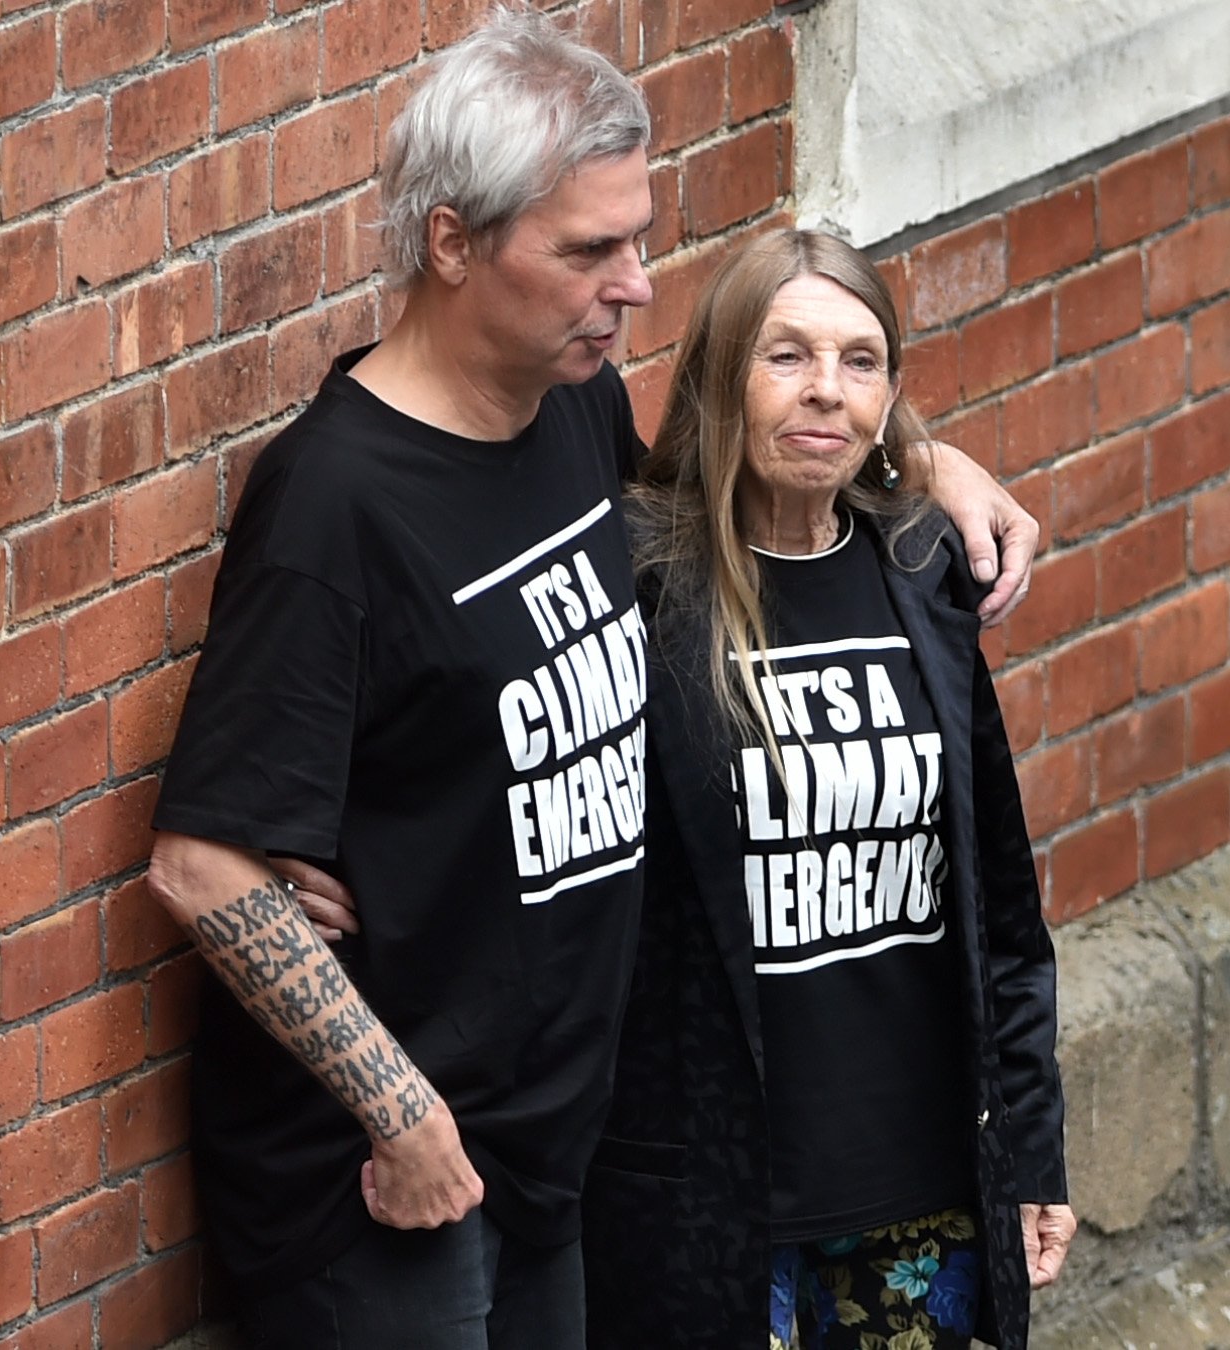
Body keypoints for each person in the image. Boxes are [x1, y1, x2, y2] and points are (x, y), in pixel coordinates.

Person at [145, 10, 1041, 1348]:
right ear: (452, 241)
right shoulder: (337, 506)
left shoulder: (571, 408)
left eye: (637, 239)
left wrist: (923, 463)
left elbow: (745, 485)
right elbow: (203, 862)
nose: (634, 285)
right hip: (391, 1197)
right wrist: (400, 1112)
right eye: (588, 251)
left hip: (555, 1151)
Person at [578, 229, 1075, 1350]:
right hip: (708, 1197)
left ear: (892, 394)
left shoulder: (920, 569)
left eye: (860, 362)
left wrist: (1031, 1147)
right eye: (786, 355)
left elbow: (998, 903)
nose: (825, 393)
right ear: (721, 379)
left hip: (921, 1191)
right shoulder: (641, 583)